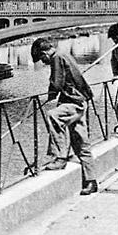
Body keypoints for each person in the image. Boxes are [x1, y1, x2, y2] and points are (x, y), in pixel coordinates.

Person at [31, 38, 98, 195]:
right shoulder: (64, 55)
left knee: (53, 116)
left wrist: (50, 95)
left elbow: (57, 83)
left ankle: (60, 157)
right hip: (80, 101)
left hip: (74, 102)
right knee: (82, 144)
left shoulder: (56, 58)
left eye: (42, 59)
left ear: (44, 53)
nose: (44, 62)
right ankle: (91, 181)